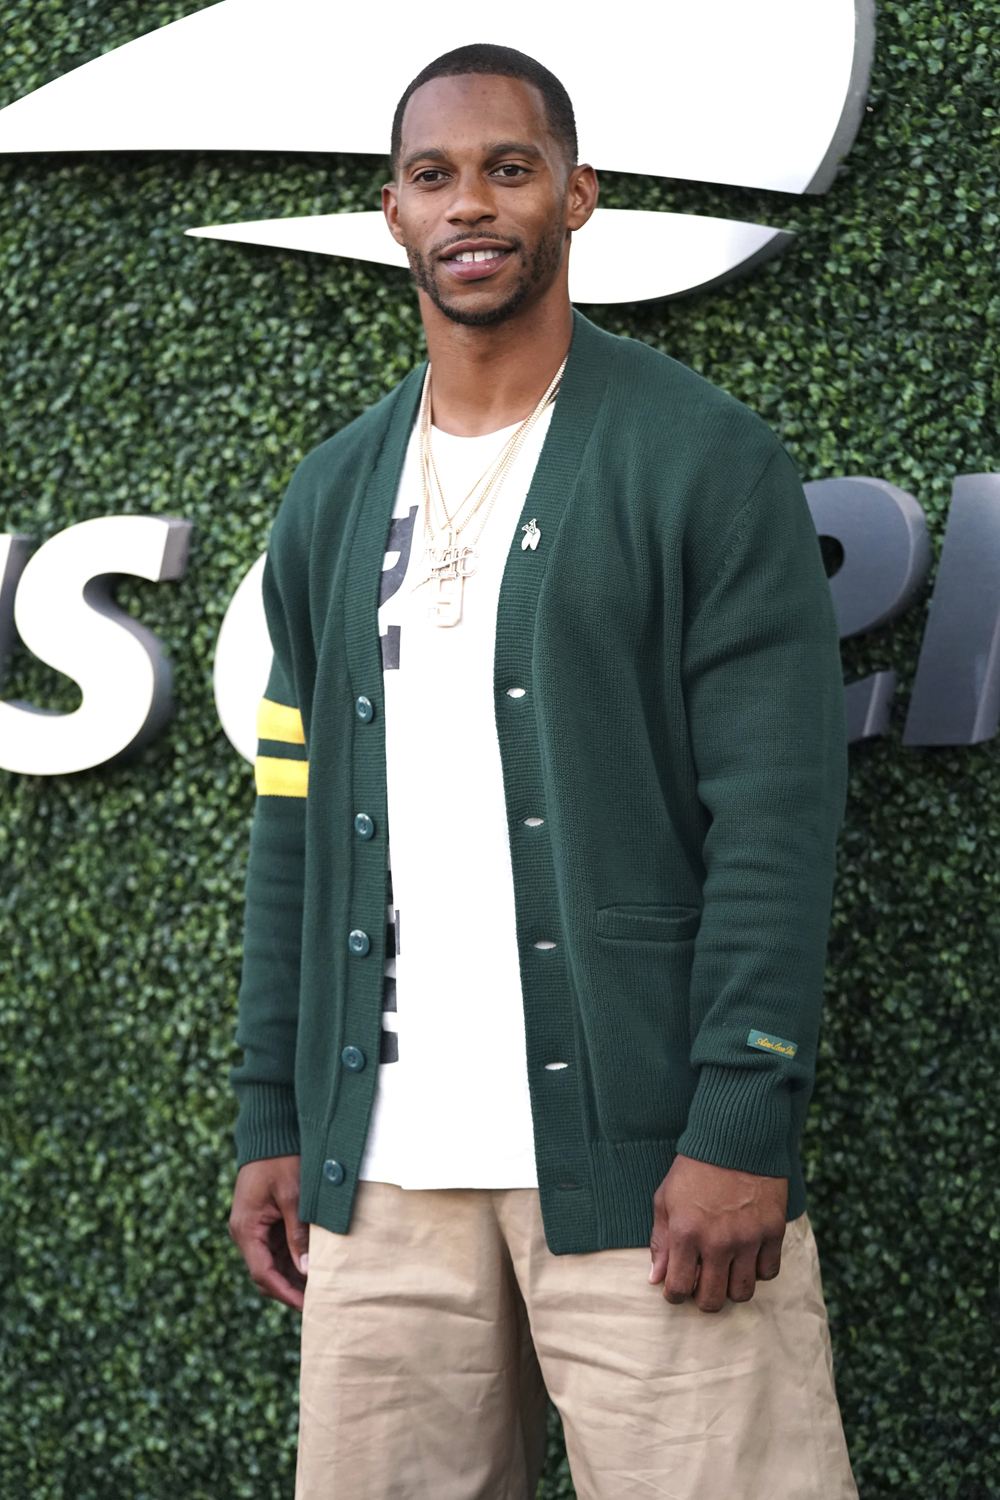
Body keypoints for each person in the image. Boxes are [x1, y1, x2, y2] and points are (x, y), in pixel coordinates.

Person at [227, 42, 857, 1500]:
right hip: (380, 1171)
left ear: (578, 195)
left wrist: (740, 1116)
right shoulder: (329, 496)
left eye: (509, 169)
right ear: (391, 211)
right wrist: (275, 1116)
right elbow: (290, 828)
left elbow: (775, 815)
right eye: (436, 175)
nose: (472, 205)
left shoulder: (703, 460)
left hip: (644, 1164)